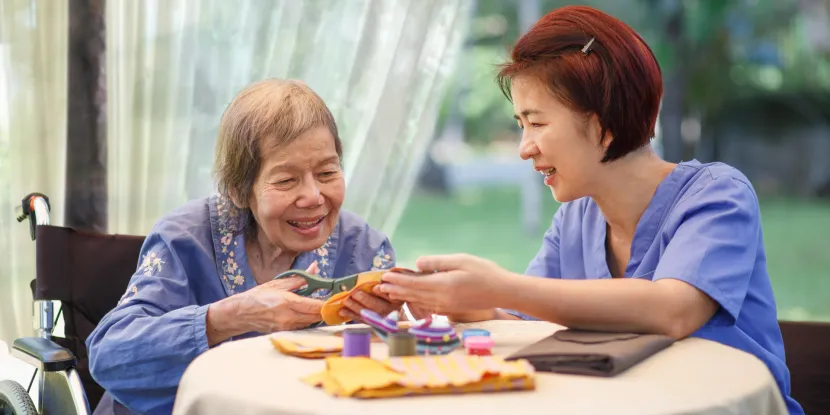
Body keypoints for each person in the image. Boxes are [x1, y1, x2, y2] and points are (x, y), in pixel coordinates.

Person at [380, 6, 802, 414]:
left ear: (605, 124)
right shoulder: (575, 219)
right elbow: (523, 316)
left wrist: (497, 286)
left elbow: (673, 309)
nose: (525, 148)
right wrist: (458, 302)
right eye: (520, 125)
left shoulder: (717, 195)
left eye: (537, 123)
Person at [86, 79, 401, 415]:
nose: (313, 197)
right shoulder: (185, 239)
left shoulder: (365, 250)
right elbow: (110, 354)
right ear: (238, 190)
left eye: (327, 172)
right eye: (286, 180)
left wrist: (393, 327)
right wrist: (230, 316)